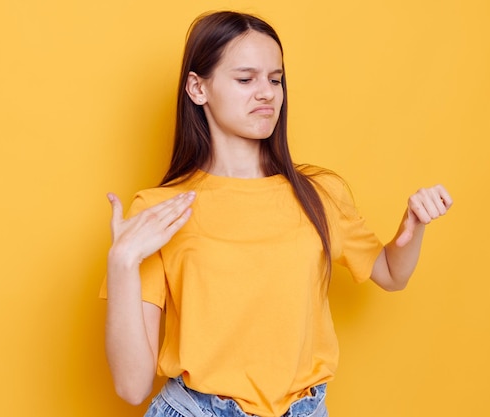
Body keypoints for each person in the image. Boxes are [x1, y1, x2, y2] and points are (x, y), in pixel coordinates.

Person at [101, 10, 452, 417]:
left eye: (275, 79)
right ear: (198, 88)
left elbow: (392, 273)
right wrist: (122, 260)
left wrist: (414, 227)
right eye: (245, 79)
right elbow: (131, 386)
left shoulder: (318, 193)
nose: (266, 93)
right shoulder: (158, 210)